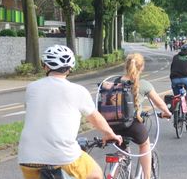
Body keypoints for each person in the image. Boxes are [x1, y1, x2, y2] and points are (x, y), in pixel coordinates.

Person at [18, 45, 123, 179]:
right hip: (63, 155)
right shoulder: (78, 90)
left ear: (45, 66)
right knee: (96, 174)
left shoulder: (31, 88)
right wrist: (110, 134)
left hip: (27, 157)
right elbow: (95, 118)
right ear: (70, 69)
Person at [109, 53, 172, 179]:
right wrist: (167, 112)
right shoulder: (143, 84)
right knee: (145, 145)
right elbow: (159, 103)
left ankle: (112, 174)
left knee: (120, 151)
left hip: (113, 125)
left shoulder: (114, 82)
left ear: (126, 66)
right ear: (141, 67)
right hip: (132, 124)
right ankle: (147, 177)